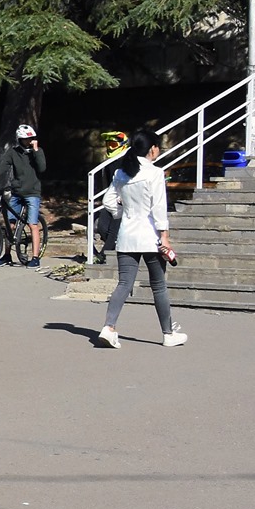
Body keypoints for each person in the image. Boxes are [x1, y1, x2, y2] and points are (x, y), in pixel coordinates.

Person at [96, 129, 186, 349]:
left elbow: (108, 202)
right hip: (150, 237)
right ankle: (168, 333)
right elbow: (159, 208)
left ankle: (109, 327)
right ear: (152, 149)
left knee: (124, 284)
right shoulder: (155, 173)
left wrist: (121, 213)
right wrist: (164, 236)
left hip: (127, 235)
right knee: (159, 286)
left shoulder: (121, 173)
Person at [0, 123, 47, 266]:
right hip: (16, 192)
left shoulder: (37, 151)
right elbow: (2, 166)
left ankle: (35, 258)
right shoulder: (13, 152)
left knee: (32, 224)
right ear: (20, 140)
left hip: (32, 193)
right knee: (10, 225)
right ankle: (7, 255)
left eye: (32, 138)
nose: (30, 141)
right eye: (27, 139)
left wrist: (36, 150)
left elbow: (42, 168)